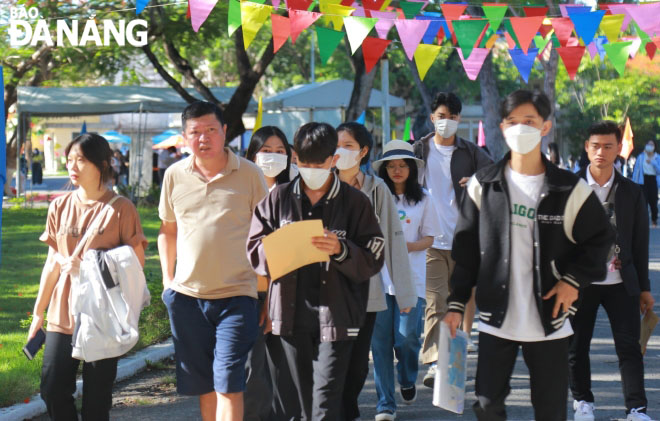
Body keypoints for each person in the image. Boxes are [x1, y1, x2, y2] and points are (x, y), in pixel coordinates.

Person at [443, 90, 614, 420]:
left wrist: (573, 281)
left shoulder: (569, 188)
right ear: (502, 127)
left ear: (545, 126)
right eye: (513, 122)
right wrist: (455, 304)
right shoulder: (483, 184)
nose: (521, 128)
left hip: (550, 321)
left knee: (550, 411)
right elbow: (465, 251)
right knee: (487, 404)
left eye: (529, 121)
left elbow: (601, 238)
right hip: (496, 319)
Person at [247, 122, 385, 420]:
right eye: (304, 162)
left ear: (333, 160)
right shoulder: (278, 198)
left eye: (318, 163)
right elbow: (253, 250)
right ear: (295, 157)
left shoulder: (355, 202)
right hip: (290, 317)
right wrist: (280, 246)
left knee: (324, 407)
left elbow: (375, 254)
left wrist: (341, 249)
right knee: (297, 409)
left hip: (337, 316)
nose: (311, 169)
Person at [158, 101, 267, 421]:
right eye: (195, 132)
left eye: (210, 130)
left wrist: (271, 290)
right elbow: (168, 230)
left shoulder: (249, 174)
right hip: (188, 298)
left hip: (237, 295)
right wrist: (168, 281)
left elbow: (267, 235)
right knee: (204, 385)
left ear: (225, 132)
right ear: (184, 137)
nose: (203, 138)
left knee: (229, 382)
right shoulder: (175, 175)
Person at [28, 133, 147, 420]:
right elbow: (52, 264)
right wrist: (38, 313)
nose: (73, 166)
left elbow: (136, 265)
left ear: (102, 164)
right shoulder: (59, 206)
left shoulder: (121, 209)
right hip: (62, 313)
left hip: (101, 315)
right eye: (70, 160)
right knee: (53, 390)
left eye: (81, 160)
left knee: (96, 401)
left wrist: (90, 266)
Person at [570, 121, 655, 421]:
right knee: (576, 347)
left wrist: (644, 288)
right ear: (587, 147)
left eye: (608, 146)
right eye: (595, 146)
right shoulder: (570, 188)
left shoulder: (632, 191)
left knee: (629, 349)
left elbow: (640, 243)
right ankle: (583, 402)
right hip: (580, 281)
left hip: (622, 281)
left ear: (619, 149)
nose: (601, 152)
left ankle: (637, 409)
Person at [335, 122, 417, 421]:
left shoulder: (376, 189)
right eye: (336, 145)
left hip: (367, 290)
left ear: (363, 151)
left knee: (358, 365)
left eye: (348, 146)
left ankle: (348, 407)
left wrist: (405, 292)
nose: (339, 152)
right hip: (326, 290)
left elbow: (393, 240)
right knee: (331, 361)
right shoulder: (318, 185)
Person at [412, 92, 492, 385]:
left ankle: (460, 346)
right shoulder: (418, 150)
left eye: (453, 117)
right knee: (435, 301)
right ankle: (435, 361)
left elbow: (495, 177)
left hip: (465, 238)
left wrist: (475, 181)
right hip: (430, 240)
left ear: (460, 119)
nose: (447, 121)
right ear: (432, 118)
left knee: (462, 297)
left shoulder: (471, 152)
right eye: (441, 116)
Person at [371, 140, 441, 418]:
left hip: (411, 280)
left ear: (411, 168)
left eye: (402, 165)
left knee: (407, 338)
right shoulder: (375, 196)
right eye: (391, 166)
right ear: (384, 169)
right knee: (380, 345)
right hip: (378, 280)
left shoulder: (424, 198)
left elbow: (430, 237)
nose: (396, 170)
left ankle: (407, 377)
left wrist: (406, 247)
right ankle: (385, 403)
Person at [244, 125, 298, 420]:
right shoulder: (240, 192)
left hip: (288, 293)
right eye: (266, 151)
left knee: (285, 373)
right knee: (252, 372)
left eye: (280, 152)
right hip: (247, 291)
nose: (273, 157)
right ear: (252, 154)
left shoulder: (295, 194)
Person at [632, 140, 660, 227]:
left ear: (654, 147)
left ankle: (654, 219)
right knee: (643, 201)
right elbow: (636, 170)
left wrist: (652, 162)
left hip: (653, 180)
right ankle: (643, 220)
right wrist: (634, 183)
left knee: (653, 201)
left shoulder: (657, 157)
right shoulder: (641, 157)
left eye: (651, 144)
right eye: (648, 144)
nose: (649, 146)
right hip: (643, 180)